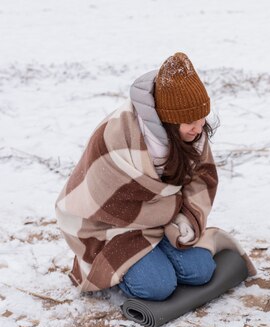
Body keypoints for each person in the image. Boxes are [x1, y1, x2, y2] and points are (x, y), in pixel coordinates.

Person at [56, 52, 255, 300]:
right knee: (157, 287)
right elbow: (104, 201)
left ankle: (156, 252)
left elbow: (202, 180)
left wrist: (186, 218)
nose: (199, 126)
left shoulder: (192, 134)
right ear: (168, 120)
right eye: (190, 121)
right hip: (113, 228)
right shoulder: (117, 134)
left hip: (164, 220)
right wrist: (163, 209)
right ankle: (117, 272)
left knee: (201, 272)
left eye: (202, 116)